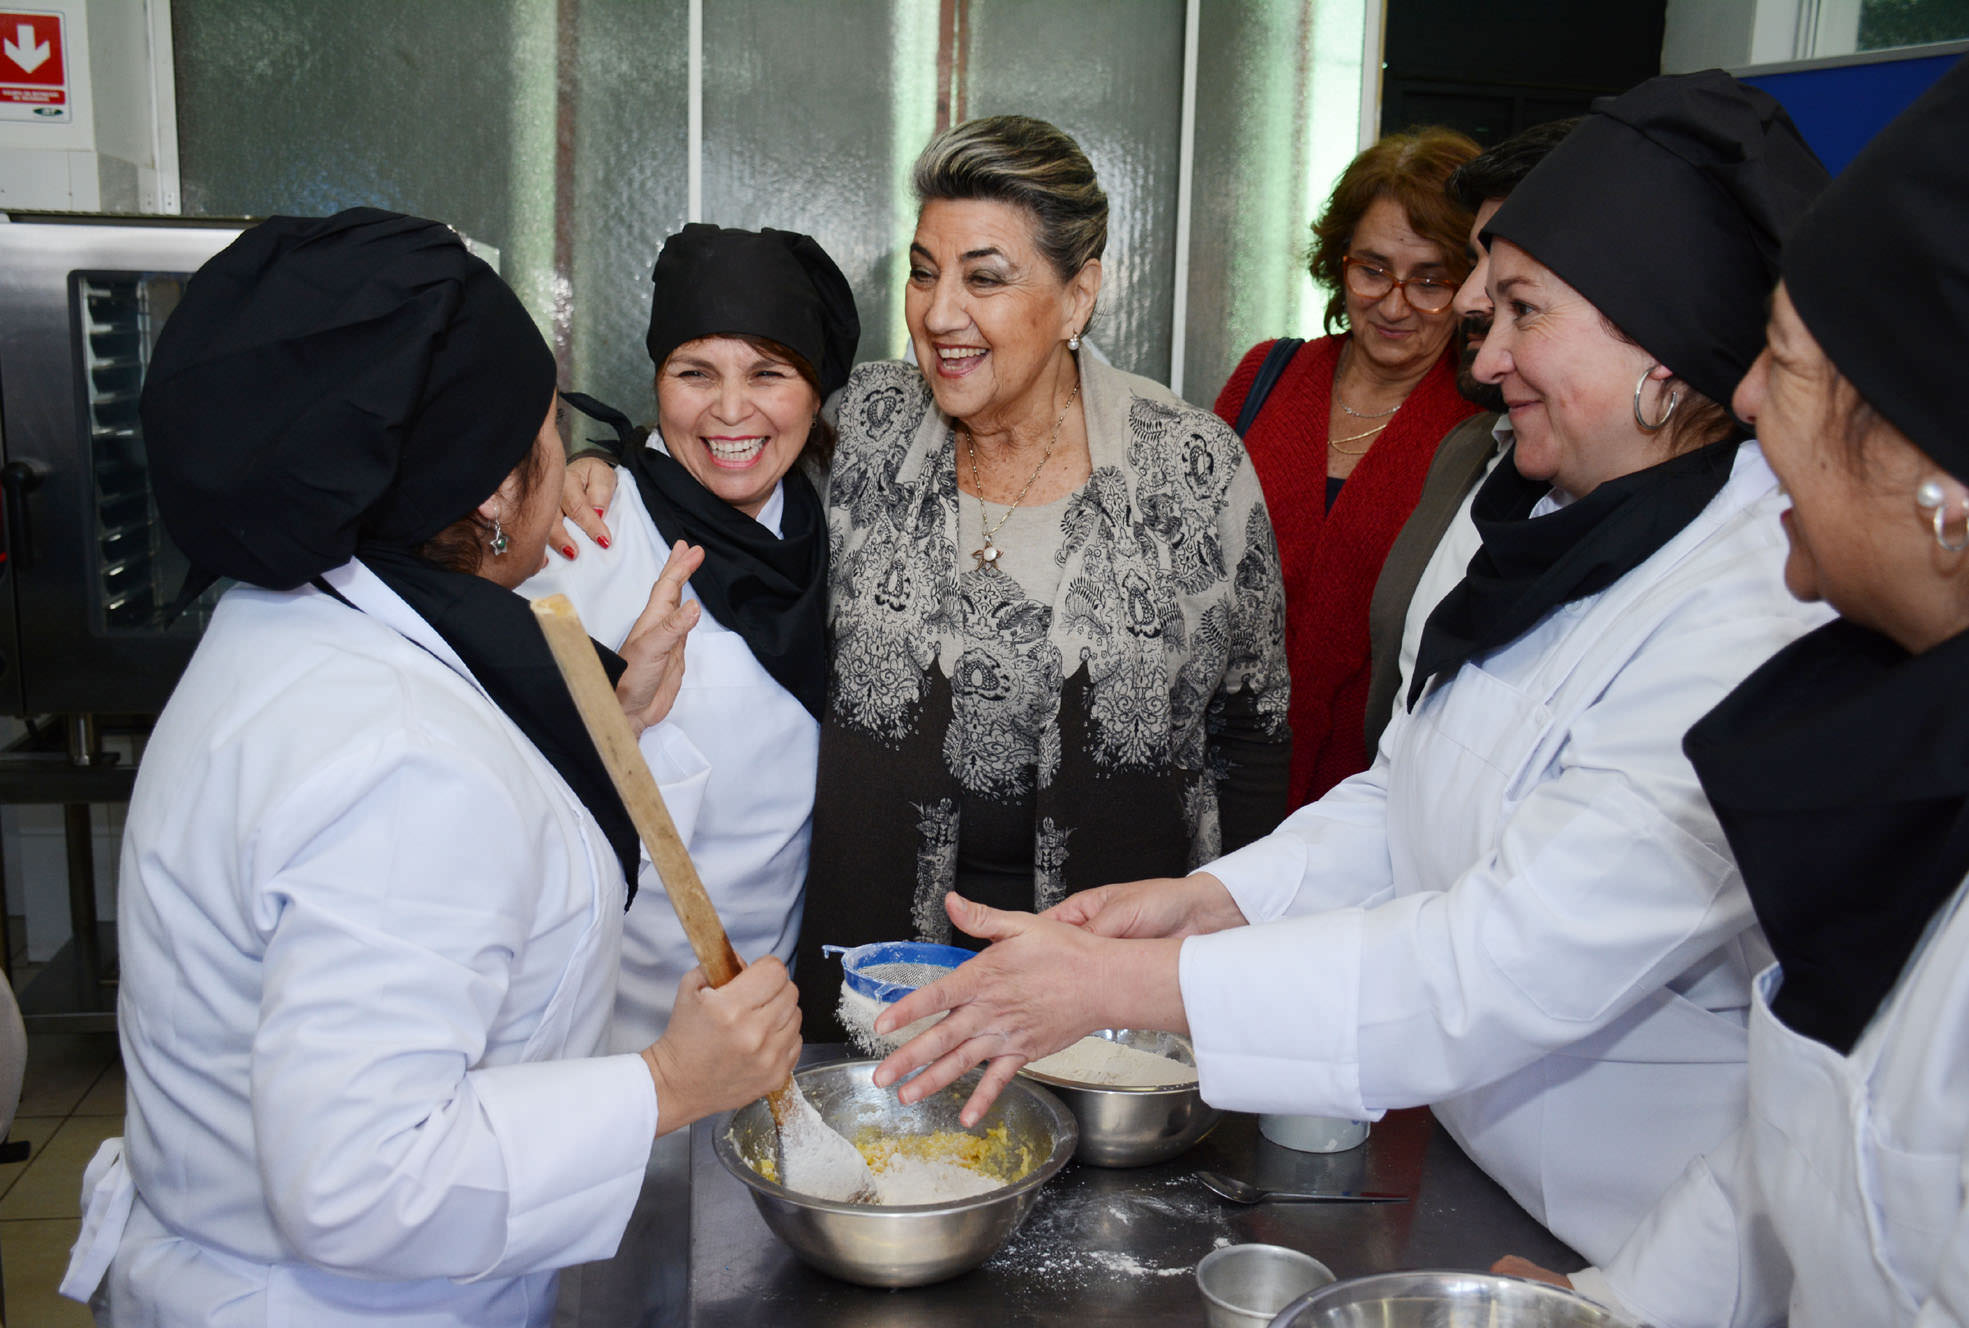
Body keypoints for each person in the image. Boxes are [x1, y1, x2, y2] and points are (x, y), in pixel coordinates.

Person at [874, 72, 1833, 1271]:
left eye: (1519, 310)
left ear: (1664, 351)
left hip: (1643, 1220)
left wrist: (1138, 980)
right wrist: (1211, 902)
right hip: (1477, 1172)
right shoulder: (1520, 504)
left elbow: (1494, 961)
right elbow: (1405, 788)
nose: (1481, 363)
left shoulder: (1745, 610)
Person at [57, 209, 801, 1328]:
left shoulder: (291, 614)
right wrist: (669, 1084)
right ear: (495, 489)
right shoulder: (403, 758)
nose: (572, 450)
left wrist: (619, 716)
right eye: (551, 422)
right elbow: (361, 1180)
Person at [1503, 58, 1969, 1326]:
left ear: (1939, 476)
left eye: (1783, 360)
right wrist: (1618, 1307)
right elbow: (1805, 1134)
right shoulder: (1900, 725)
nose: (1747, 395)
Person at [795, 114, 1291, 1038]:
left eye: (984, 277)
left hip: (1111, 998)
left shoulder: (1191, 466)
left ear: (1077, 297)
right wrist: (607, 470)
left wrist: (1235, 966)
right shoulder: (857, 431)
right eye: (923, 270)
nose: (939, 312)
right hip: (878, 979)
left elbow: (1252, 726)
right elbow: (721, 461)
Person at [522, 223, 857, 1327]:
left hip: (774, 991)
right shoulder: (588, 529)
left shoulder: (836, 527)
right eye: (693, 372)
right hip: (616, 1023)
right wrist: (621, 704)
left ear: (816, 391)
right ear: (652, 378)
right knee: (616, 1284)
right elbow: (503, 787)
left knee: (750, 1282)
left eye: (770, 372)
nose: (730, 410)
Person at [1215, 127, 1480, 808]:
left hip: (1373, 795)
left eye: (1430, 281)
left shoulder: (1486, 429)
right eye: (1372, 269)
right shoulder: (1265, 378)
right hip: (1216, 771)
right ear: (1339, 262)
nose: (1394, 305)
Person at [1363, 117, 1578, 755]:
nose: (1464, 298)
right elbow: (1405, 738)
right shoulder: (1475, 448)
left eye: (1519, 294)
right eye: (1478, 263)